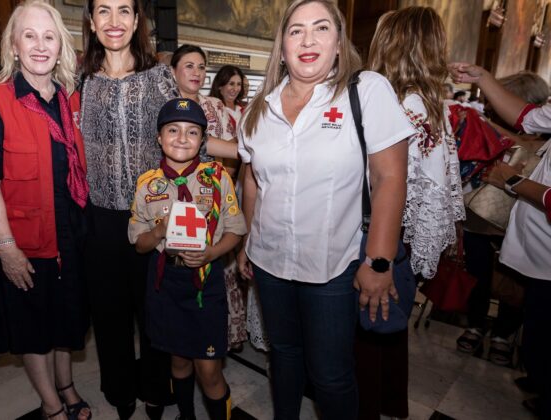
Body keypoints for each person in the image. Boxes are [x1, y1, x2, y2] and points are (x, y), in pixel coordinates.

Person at [235, 1, 414, 418]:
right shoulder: (261, 108)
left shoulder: (365, 90)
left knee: (331, 374)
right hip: (269, 260)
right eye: (295, 31)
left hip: (333, 265)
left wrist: (380, 260)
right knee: (283, 355)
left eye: (320, 28)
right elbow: (252, 178)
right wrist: (246, 240)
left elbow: (390, 178)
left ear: (339, 41)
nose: (308, 39)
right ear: (281, 47)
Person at [0, 2, 90, 419]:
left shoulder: (70, 101)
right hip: (26, 242)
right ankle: (51, 405)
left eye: (49, 36)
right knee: (35, 333)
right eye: (29, 35)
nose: (40, 45)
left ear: (61, 46)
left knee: (65, 326)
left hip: (71, 236)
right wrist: (5, 248)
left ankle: (67, 387)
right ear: (14, 44)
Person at [361, 7, 465, 419]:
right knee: (389, 326)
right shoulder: (430, 103)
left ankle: (368, 408)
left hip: (384, 235)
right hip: (406, 236)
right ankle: (391, 403)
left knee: (368, 329)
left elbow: (384, 183)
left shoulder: (401, 107)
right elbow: (442, 181)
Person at [129, 98, 246, 420]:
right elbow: (139, 245)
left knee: (208, 370)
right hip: (166, 282)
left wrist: (212, 253)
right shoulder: (146, 184)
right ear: (159, 137)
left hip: (204, 284)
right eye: (173, 130)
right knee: (178, 362)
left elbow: (236, 231)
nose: (182, 138)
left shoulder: (217, 178)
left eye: (192, 132)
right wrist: (158, 231)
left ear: (202, 140)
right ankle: (186, 416)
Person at [452, 61, 551, 419]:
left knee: (533, 316)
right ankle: (538, 377)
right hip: (523, 237)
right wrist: (483, 79)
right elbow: (529, 120)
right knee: (533, 318)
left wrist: (512, 181)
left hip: (542, 243)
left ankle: (537, 376)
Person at [170, 45, 246, 350]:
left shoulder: (213, 104)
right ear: (174, 70)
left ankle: (223, 335)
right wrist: (247, 148)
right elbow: (224, 146)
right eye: (188, 66)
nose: (196, 73)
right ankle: (187, 340)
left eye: (201, 67)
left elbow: (230, 145)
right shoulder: (168, 105)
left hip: (215, 191)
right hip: (179, 195)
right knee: (185, 266)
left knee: (219, 262)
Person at [209, 65, 246, 131]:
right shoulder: (212, 110)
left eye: (239, 84)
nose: (236, 89)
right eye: (231, 84)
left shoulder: (245, 109)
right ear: (220, 86)